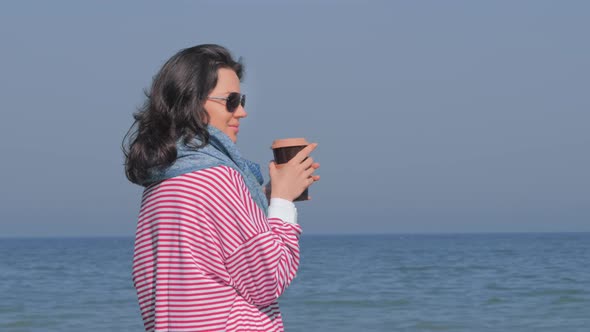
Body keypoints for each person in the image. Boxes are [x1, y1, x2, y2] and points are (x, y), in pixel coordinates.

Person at [123, 44, 320, 332]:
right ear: (192, 103)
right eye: (231, 100)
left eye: (242, 100)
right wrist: (282, 202)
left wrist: (263, 201)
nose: (241, 112)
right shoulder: (218, 178)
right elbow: (268, 280)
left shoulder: (161, 182)